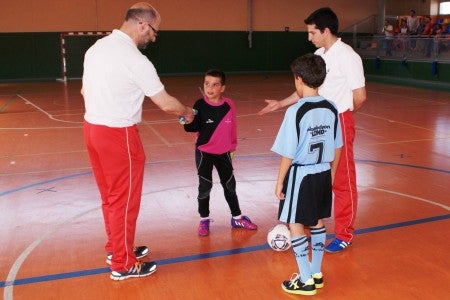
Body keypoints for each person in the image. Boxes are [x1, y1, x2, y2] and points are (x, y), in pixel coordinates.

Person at [81, 2, 195, 280]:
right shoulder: (135, 59)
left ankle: (116, 248)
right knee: (125, 201)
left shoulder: (96, 49)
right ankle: (122, 265)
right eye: (154, 31)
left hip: (92, 129)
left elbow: (84, 90)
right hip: (118, 135)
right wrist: (187, 112)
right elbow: (166, 103)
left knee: (110, 198)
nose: (154, 38)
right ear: (143, 24)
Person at [259, 7, 366, 253]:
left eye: (312, 32)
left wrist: (339, 116)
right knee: (312, 173)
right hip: (316, 118)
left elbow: (359, 96)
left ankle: (344, 233)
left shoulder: (347, 56)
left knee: (341, 179)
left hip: (337, 119)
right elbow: (305, 90)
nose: (309, 37)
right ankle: (311, 222)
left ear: (326, 30)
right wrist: (280, 104)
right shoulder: (320, 54)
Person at [272, 53, 342, 295]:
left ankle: (304, 280)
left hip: (301, 175)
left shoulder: (296, 111)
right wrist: (331, 175)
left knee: (295, 223)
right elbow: (338, 146)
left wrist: (280, 182)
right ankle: (316, 272)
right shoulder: (332, 107)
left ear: (298, 79)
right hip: (323, 171)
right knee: (317, 220)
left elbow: (288, 153)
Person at [184, 69, 257, 236]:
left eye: (215, 85)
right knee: (205, 187)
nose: (210, 88)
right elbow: (192, 127)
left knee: (230, 186)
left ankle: (237, 217)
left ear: (222, 88)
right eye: (207, 84)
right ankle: (204, 220)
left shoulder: (229, 104)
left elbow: (233, 128)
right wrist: (186, 120)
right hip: (204, 153)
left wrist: (233, 147)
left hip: (224, 153)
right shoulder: (199, 105)